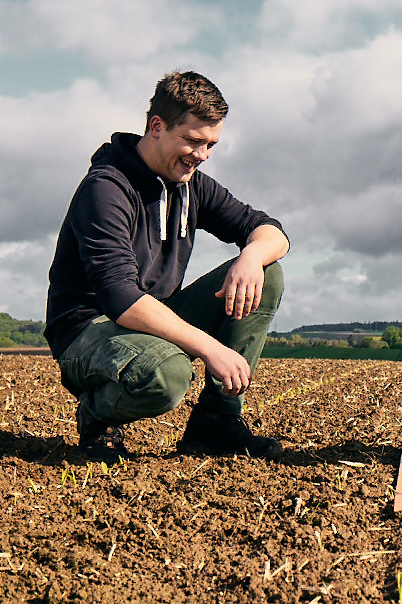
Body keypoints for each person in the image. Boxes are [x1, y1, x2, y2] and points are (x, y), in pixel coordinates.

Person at [44, 70, 290, 461]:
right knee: (168, 375)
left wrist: (251, 256)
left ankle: (216, 423)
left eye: (211, 144)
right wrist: (211, 348)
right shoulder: (106, 188)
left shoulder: (192, 185)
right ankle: (97, 413)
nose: (202, 155)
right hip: (89, 330)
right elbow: (120, 296)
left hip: (150, 320)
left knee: (268, 273)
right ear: (157, 126)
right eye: (193, 141)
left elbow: (270, 231)